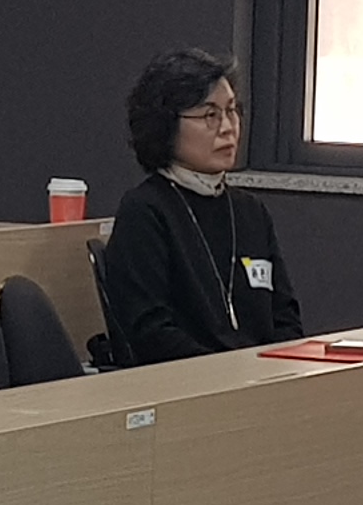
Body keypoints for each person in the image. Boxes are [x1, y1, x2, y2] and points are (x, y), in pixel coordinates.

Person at [99, 49, 303, 362]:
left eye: (232, 111)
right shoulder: (145, 211)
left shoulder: (250, 212)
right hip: (189, 380)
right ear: (166, 125)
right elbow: (150, 332)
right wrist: (227, 372)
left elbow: (286, 319)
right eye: (210, 115)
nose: (228, 127)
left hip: (261, 378)